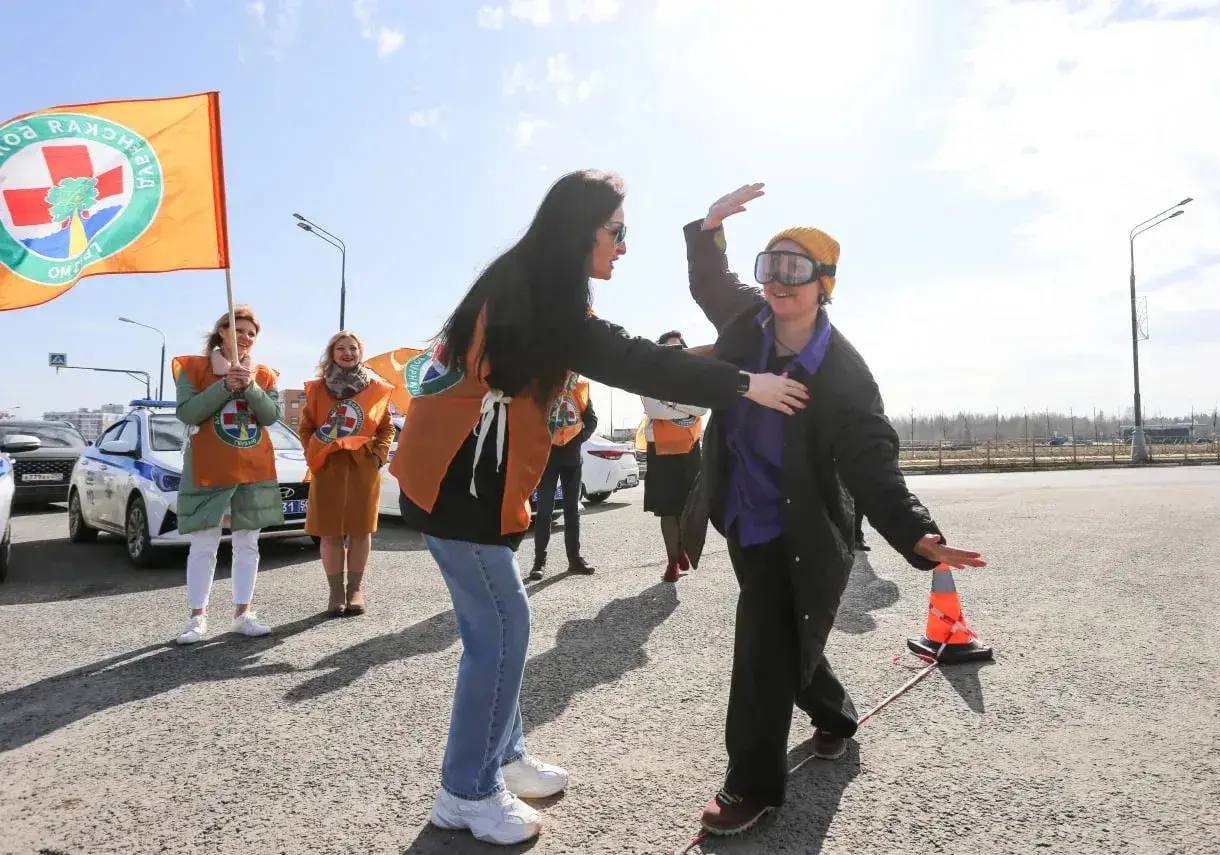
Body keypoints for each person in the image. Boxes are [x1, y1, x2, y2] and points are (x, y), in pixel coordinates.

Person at [389, 170, 809, 846]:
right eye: (617, 231)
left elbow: (628, 355)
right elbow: (629, 360)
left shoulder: (534, 282)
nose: (623, 245)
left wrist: (729, 364)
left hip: (470, 481)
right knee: (500, 628)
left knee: (496, 627)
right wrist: (742, 383)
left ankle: (501, 755)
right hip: (457, 485)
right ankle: (464, 792)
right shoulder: (535, 295)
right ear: (577, 228)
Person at [681, 184, 986, 836]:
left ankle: (750, 786)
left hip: (804, 531)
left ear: (825, 284)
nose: (778, 282)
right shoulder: (747, 323)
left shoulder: (843, 374)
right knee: (786, 637)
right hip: (740, 514)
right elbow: (711, 285)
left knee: (763, 648)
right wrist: (707, 231)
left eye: (795, 269)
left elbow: (872, 465)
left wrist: (917, 532)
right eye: (770, 266)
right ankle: (837, 716)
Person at [172, 305, 283, 645]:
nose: (246, 337)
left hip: (252, 468)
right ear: (222, 331)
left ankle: (243, 613)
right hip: (208, 468)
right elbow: (188, 412)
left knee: (248, 543)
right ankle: (197, 618)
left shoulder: (264, 375)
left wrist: (248, 386)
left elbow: (270, 416)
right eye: (239, 330)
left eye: (252, 333)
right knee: (204, 542)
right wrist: (223, 387)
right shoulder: (193, 368)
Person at [299, 331, 395, 616]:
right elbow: (306, 428)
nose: (347, 352)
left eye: (353, 347)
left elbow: (386, 428)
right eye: (341, 348)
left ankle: (355, 589)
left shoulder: (377, 389)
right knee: (329, 532)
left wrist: (377, 456)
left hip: (362, 467)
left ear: (360, 352)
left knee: (360, 530)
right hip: (327, 467)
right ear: (332, 353)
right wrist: (314, 451)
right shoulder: (316, 389)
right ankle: (335, 592)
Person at [641, 330, 708, 582]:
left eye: (680, 348)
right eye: (669, 349)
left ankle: (682, 548)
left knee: (687, 507)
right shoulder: (649, 377)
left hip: (690, 449)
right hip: (661, 450)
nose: (675, 353)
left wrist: (669, 403)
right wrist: (683, 405)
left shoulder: (694, 378)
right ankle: (672, 562)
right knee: (667, 508)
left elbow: (701, 408)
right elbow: (652, 408)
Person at [527, 374, 597, 580]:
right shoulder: (542, 385)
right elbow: (531, 418)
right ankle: (539, 562)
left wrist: (576, 439)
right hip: (547, 459)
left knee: (572, 511)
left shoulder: (581, 389)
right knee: (544, 512)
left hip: (572, 460)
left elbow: (591, 420)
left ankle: (574, 559)